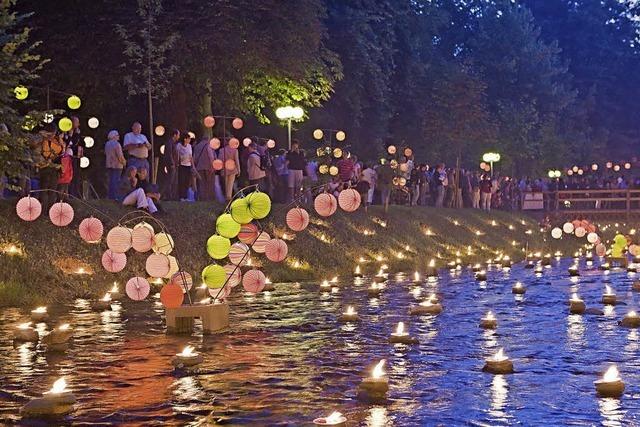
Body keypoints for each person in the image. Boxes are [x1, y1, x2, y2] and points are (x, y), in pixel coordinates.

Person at [31, 124, 64, 212]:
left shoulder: (41, 139)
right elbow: (62, 151)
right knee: (49, 190)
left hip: (48, 168)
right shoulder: (54, 141)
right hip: (51, 168)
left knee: (46, 190)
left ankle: (46, 211)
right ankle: (48, 211)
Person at [61, 116, 83, 197]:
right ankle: (68, 193)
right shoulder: (66, 133)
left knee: (75, 175)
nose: (78, 124)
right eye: (77, 122)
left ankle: (74, 193)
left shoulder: (77, 133)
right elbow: (68, 143)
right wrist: (70, 135)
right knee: (68, 175)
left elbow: (78, 143)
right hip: (67, 156)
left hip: (75, 155)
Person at [105, 129, 126, 200]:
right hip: (117, 165)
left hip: (109, 165)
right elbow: (120, 156)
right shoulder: (117, 144)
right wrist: (124, 162)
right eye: (117, 135)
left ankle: (110, 196)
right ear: (114, 136)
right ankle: (115, 196)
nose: (118, 137)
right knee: (116, 181)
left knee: (110, 181)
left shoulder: (107, 144)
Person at [193, 136, 216, 201]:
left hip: (199, 167)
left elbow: (194, 158)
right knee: (209, 183)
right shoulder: (208, 146)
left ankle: (202, 198)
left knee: (201, 184)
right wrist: (213, 166)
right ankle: (209, 198)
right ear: (208, 140)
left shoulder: (197, 146)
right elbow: (211, 156)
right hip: (208, 167)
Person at [160, 129, 180, 200]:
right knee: (169, 180)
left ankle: (169, 195)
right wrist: (172, 163)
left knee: (172, 180)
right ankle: (166, 196)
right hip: (171, 164)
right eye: (178, 135)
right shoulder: (169, 142)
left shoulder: (173, 143)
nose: (179, 136)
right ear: (174, 135)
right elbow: (169, 154)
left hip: (174, 164)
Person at [176, 133, 194, 201]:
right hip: (181, 165)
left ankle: (186, 196)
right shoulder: (179, 145)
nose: (189, 140)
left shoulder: (189, 146)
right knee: (181, 181)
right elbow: (177, 154)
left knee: (187, 181)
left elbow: (190, 156)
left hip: (188, 165)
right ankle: (181, 197)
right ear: (185, 139)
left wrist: (192, 165)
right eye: (188, 138)